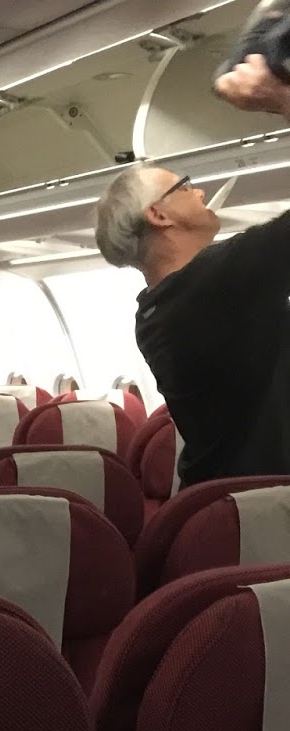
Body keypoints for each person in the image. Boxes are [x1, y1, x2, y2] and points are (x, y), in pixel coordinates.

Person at [95, 55, 290, 486]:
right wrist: (280, 97)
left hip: (231, 497)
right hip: (254, 507)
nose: (199, 191)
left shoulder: (157, 308)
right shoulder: (202, 290)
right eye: (184, 186)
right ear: (158, 214)